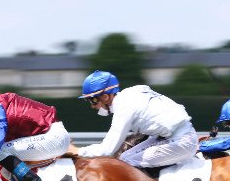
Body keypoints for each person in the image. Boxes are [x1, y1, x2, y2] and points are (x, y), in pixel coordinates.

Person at [67, 70, 199, 173]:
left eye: (93, 100)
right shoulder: (131, 92)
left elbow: (107, 150)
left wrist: (77, 151)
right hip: (175, 135)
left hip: (181, 140)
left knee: (125, 162)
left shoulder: (123, 107)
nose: (92, 106)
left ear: (106, 97)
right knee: (123, 157)